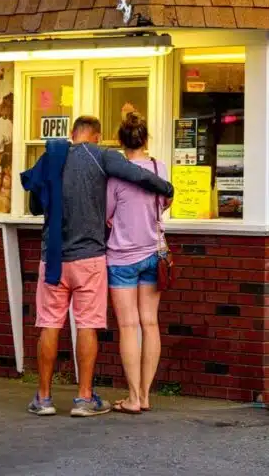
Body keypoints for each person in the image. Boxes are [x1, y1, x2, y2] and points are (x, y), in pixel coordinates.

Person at [20, 115, 174, 418]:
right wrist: (166, 187)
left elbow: (36, 205)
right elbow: (136, 174)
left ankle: (44, 398)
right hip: (90, 258)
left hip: (53, 259)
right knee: (88, 324)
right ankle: (84, 399)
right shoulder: (102, 156)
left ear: (73, 134)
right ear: (96, 135)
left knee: (50, 324)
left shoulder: (51, 156)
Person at [105, 112, 170, 415]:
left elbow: (107, 212)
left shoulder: (116, 175)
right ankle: (145, 395)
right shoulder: (159, 168)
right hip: (153, 255)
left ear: (121, 142)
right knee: (151, 323)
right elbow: (165, 203)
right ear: (145, 139)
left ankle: (132, 397)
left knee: (129, 326)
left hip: (121, 257)